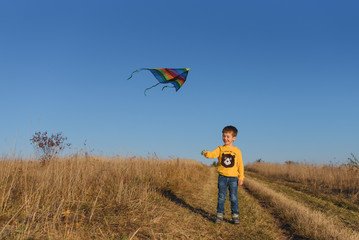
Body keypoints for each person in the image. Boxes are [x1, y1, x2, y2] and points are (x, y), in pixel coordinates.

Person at [202, 125, 244, 224]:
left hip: (233, 178)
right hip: (222, 177)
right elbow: (213, 154)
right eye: (224, 136)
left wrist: (241, 177)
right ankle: (219, 215)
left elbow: (240, 165)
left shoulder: (237, 151)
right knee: (221, 196)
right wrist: (207, 153)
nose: (225, 138)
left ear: (234, 138)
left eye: (228, 136)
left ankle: (235, 215)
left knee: (233, 197)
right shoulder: (220, 148)